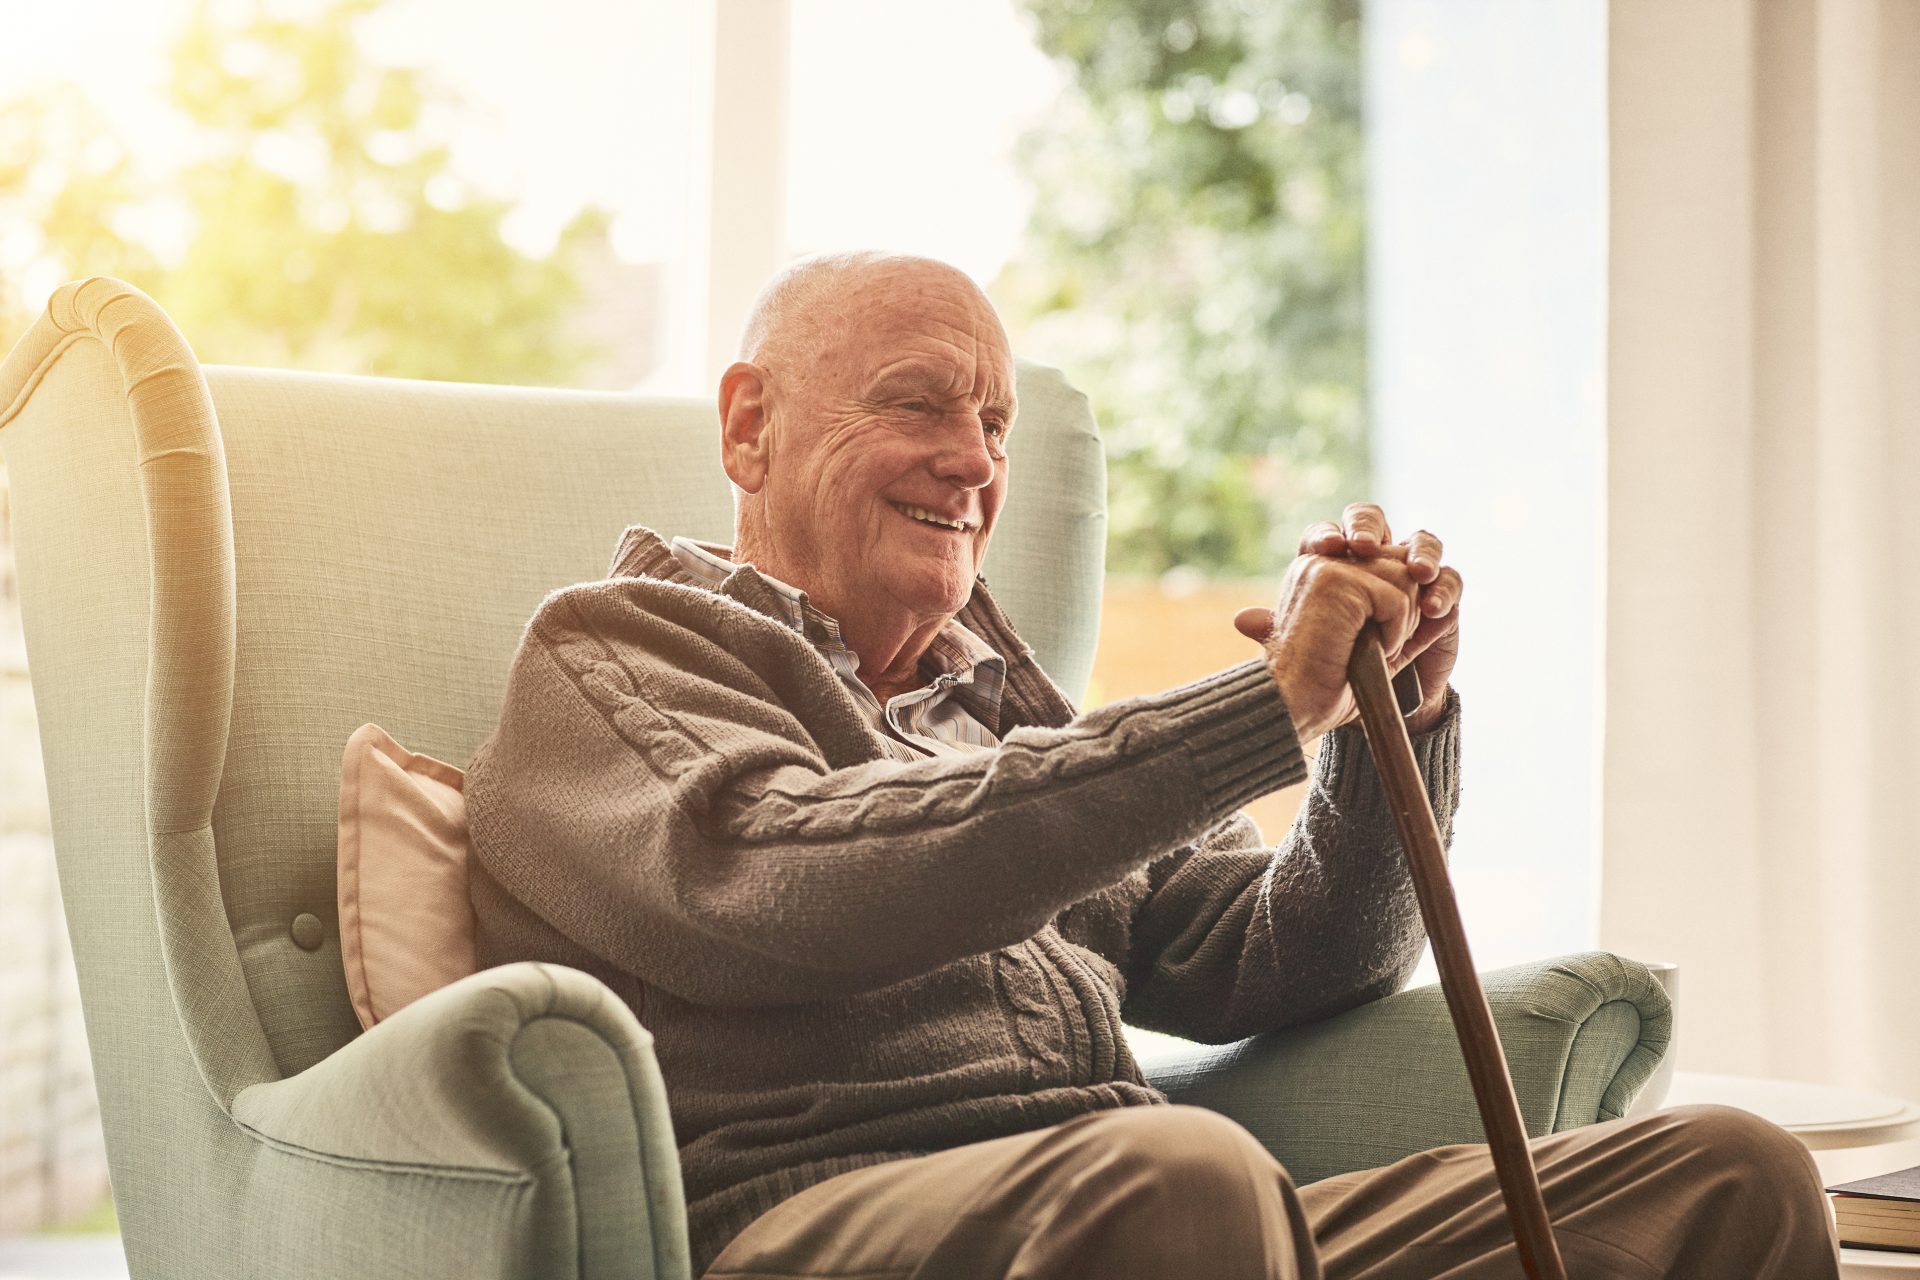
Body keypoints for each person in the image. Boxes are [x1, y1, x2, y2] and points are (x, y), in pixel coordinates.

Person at [465, 251, 1838, 1278]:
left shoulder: (997, 711)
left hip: (1157, 1212)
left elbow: (1276, 955)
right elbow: (789, 880)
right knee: (1181, 1177)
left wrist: (1376, 737)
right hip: (824, 1220)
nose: (972, 462)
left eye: (996, 424)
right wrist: (1261, 702)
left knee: (1730, 1175)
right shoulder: (622, 651)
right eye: (917, 404)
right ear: (750, 425)